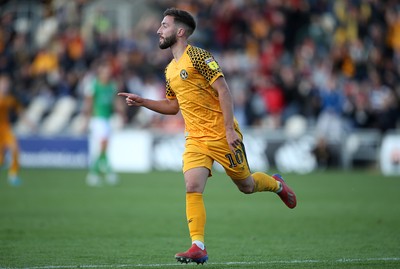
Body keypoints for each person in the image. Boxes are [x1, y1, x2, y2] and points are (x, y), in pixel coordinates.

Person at [118, 8, 297, 264]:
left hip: (221, 135)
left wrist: (228, 129)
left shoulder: (199, 57)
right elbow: (173, 106)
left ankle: (277, 184)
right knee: (192, 186)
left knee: (246, 185)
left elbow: (224, 91)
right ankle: (198, 246)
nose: (158, 30)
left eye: (164, 25)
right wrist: (143, 101)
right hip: (195, 139)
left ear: (180, 32)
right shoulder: (169, 70)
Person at [83, 61, 124, 186]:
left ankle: (100, 172)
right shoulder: (94, 85)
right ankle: (97, 172)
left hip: (107, 119)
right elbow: (89, 103)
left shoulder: (112, 85)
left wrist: (121, 112)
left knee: (104, 147)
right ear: (100, 73)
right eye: (104, 72)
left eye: (108, 72)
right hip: (98, 120)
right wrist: (87, 120)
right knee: (103, 145)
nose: (106, 74)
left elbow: (115, 101)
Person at [0, 74, 23, 186]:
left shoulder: (10, 99)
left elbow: (19, 111)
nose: (5, 87)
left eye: (6, 85)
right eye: (3, 84)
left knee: (15, 149)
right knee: (1, 160)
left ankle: (13, 175)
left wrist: (30, 124)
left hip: (6, 129)